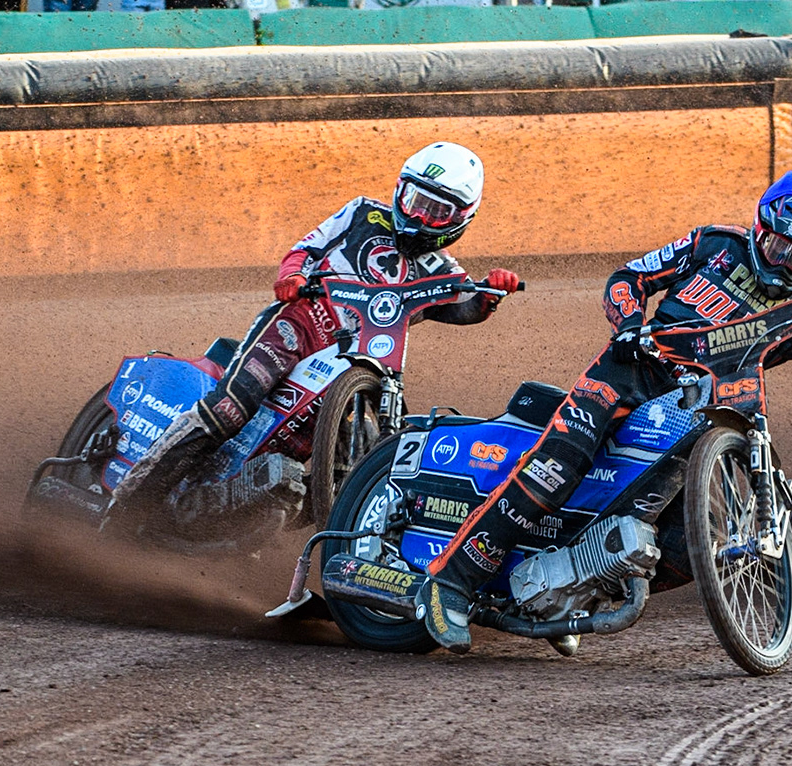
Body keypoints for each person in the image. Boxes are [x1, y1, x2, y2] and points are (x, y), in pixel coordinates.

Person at [415, 170, 792, 653]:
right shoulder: (712, 245)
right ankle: (449, 582)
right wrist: (628, 324)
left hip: (706, 408)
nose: (787, 264)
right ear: (760, 228)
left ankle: (577, 593)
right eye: (779, 248)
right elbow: (630, 278)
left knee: (692, 543)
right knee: (555, 469)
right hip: (630, 373)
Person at [111, 141, 521, 507]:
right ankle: (129, 505)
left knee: (348, 450)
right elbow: (306, 248)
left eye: (436, 212)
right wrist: (291, 277)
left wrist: (489, 295)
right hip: (302, 324)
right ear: (399, 190)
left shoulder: (441, 270)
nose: (419, 215)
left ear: (459, 219)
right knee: (231, 407)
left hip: (362, 359)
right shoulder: (362, 212)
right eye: (415, 200)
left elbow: (463, 305)